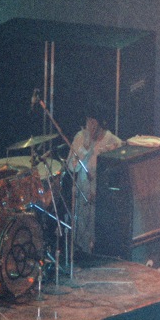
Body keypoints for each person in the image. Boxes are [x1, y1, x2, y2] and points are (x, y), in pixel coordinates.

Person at [66, 107, 123, 254]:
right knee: (82, 241)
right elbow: (72, 167)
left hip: (101, 202)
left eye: (93, 121)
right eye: (88, 120)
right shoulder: (80, 137)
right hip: (83, 198)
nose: (90, 125)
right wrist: (84, 148)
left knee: (99, 242)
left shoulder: (112, 141)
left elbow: (118, 174)